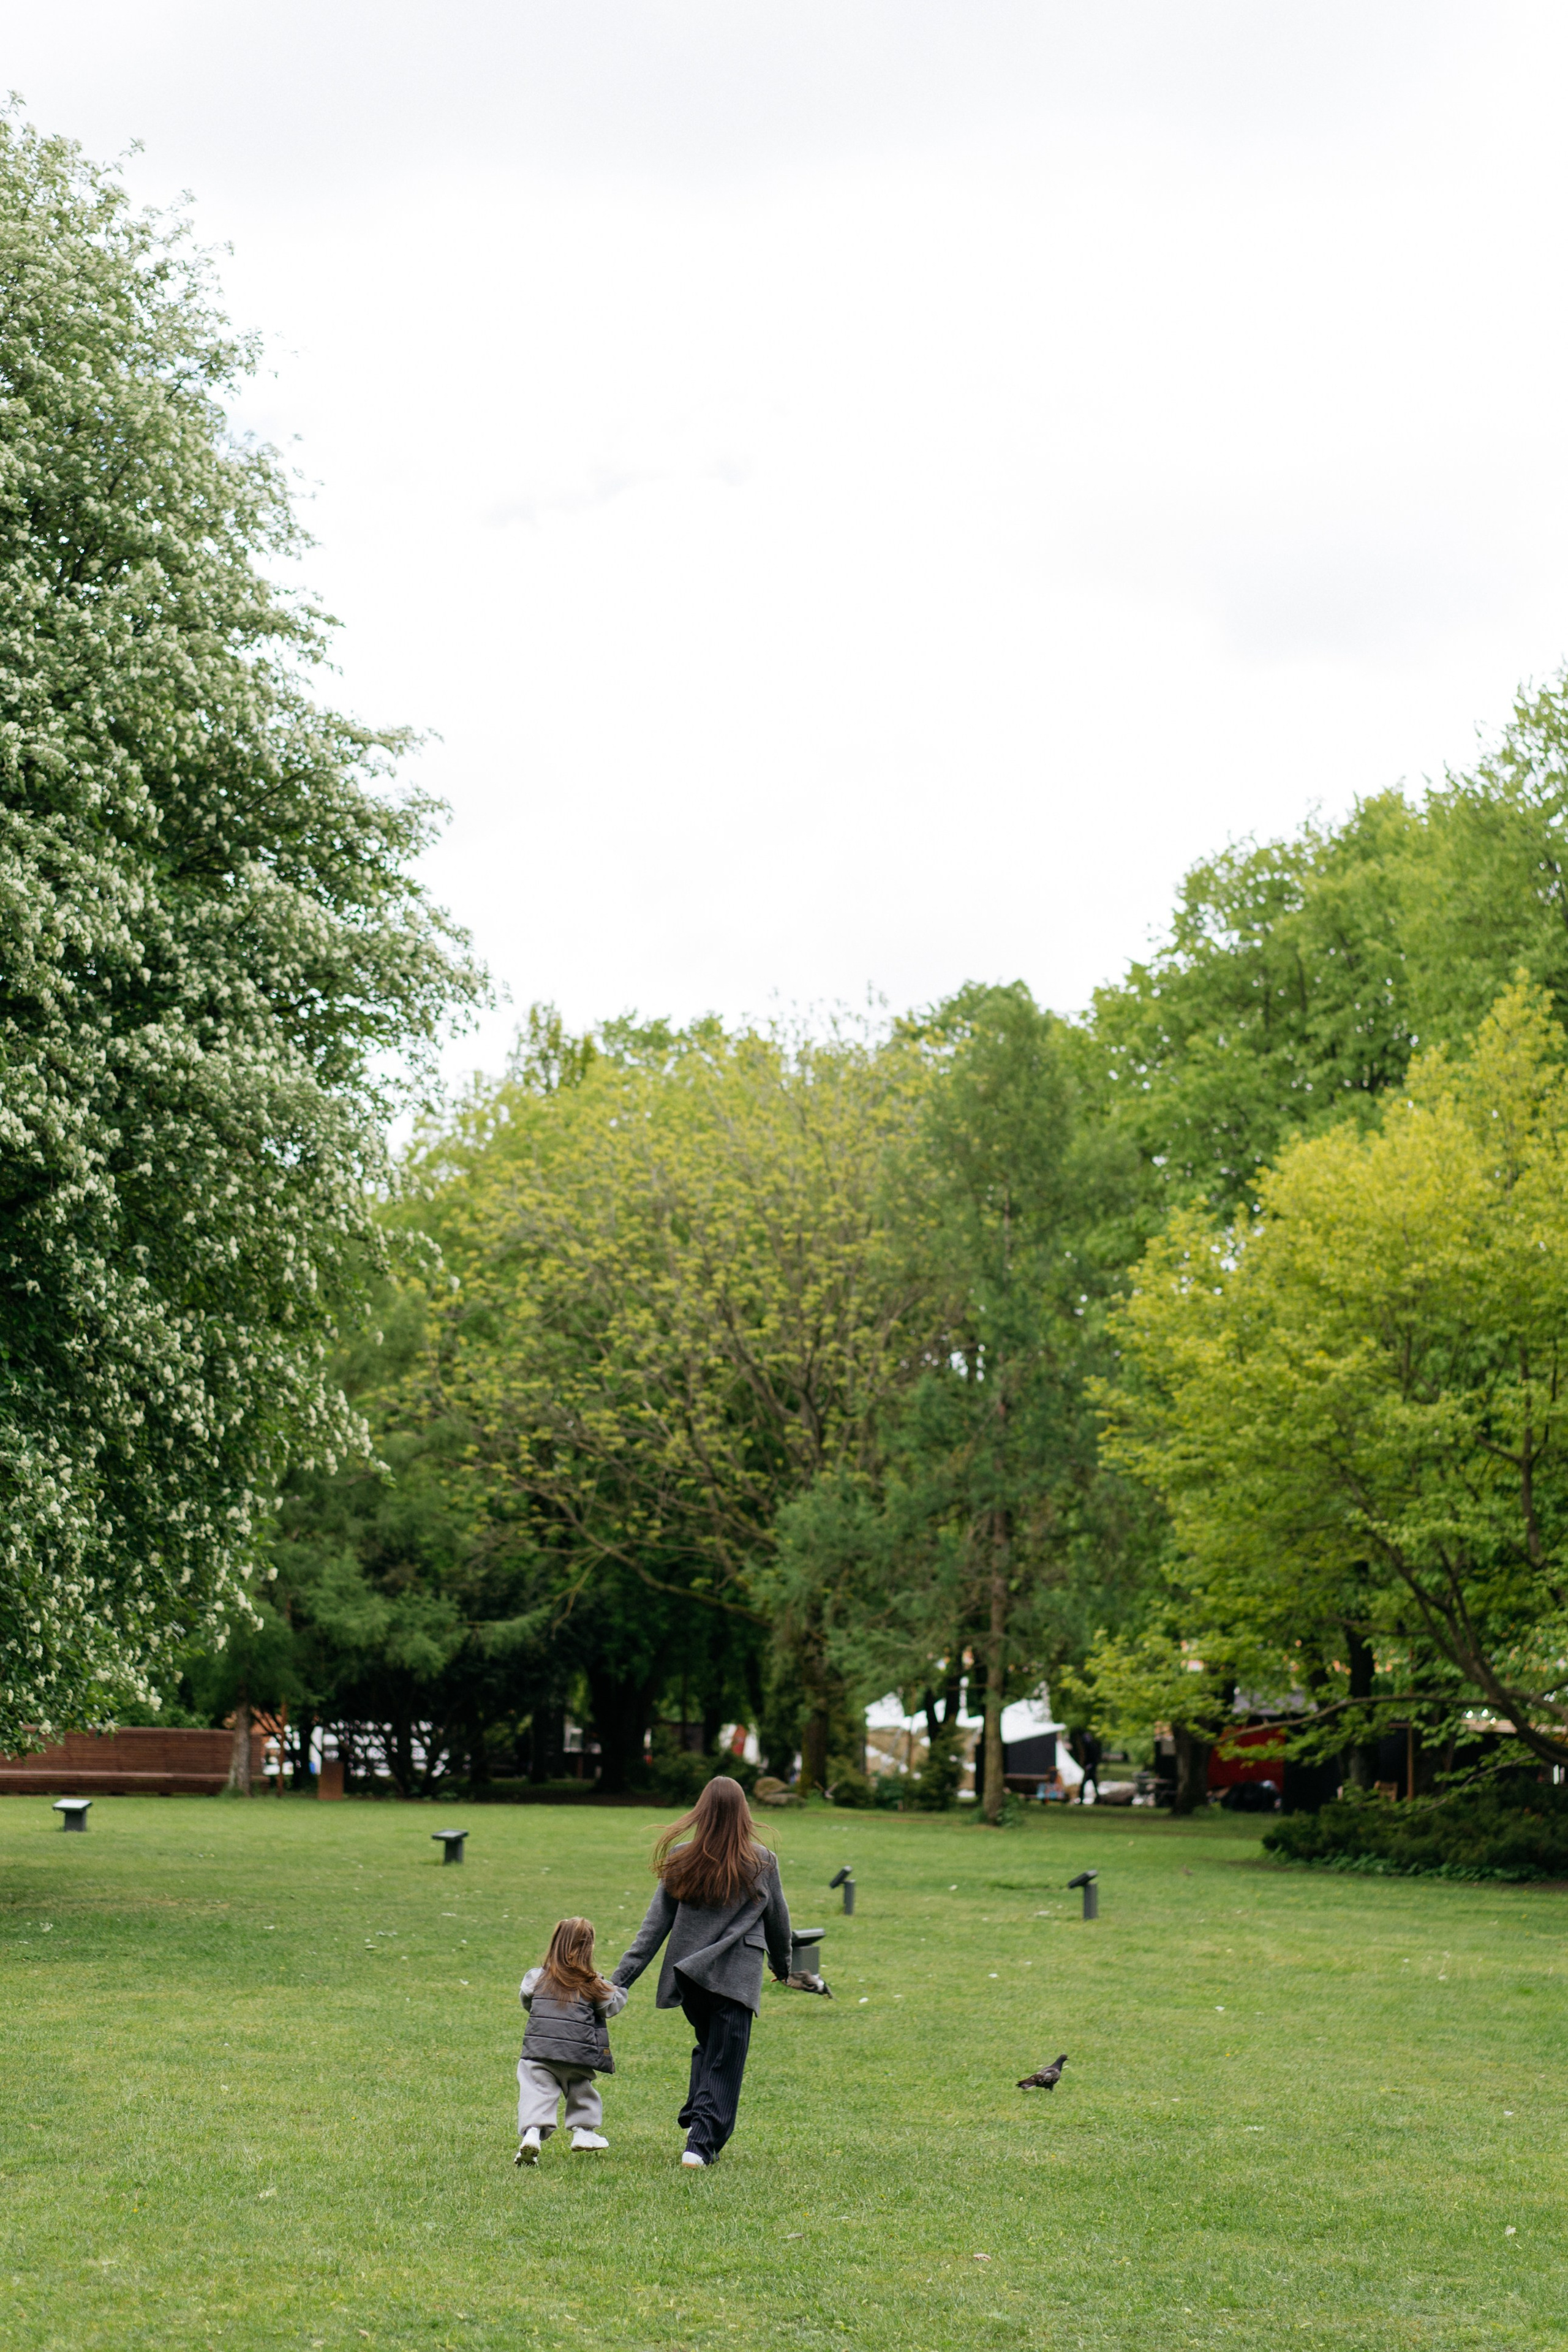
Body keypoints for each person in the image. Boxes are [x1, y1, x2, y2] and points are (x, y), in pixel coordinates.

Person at [611, 1775, 792, 2168]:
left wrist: (619, 1980)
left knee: (713, 2047)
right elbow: (779, 1922)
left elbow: (653, 1929)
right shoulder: (762, 1860)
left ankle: (698, 2112)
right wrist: (784, 1966)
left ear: (703, 1812)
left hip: (689, 1975)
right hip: (737, 1977)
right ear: (744, 1814)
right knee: (726, 2058)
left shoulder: (682, 1855)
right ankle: (701, 2143)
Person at [514, 1915, 627, 2165]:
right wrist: (622, 1988)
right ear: (588, 1948)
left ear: (555, 1944)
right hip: (578, 2054)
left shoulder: (536, 1978)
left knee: (536, 2090)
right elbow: (611, 2006)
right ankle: (584, 2132)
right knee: (580, 2088)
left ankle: (532, 2133)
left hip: (539, 2051)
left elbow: (527, 2002)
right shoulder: (594, 1984)